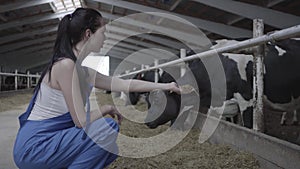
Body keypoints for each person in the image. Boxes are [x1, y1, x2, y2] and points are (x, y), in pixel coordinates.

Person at [13, 8, 180, 169]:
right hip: (35, 147)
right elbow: (80, 121)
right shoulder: (66, 65)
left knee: (110, 150)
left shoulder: (83, 69)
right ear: (88, 34)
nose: (105, 38)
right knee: (106, 128)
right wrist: (106, 108)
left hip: (52, 140)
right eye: (103, 32)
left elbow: (125, 84)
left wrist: (166, 85)